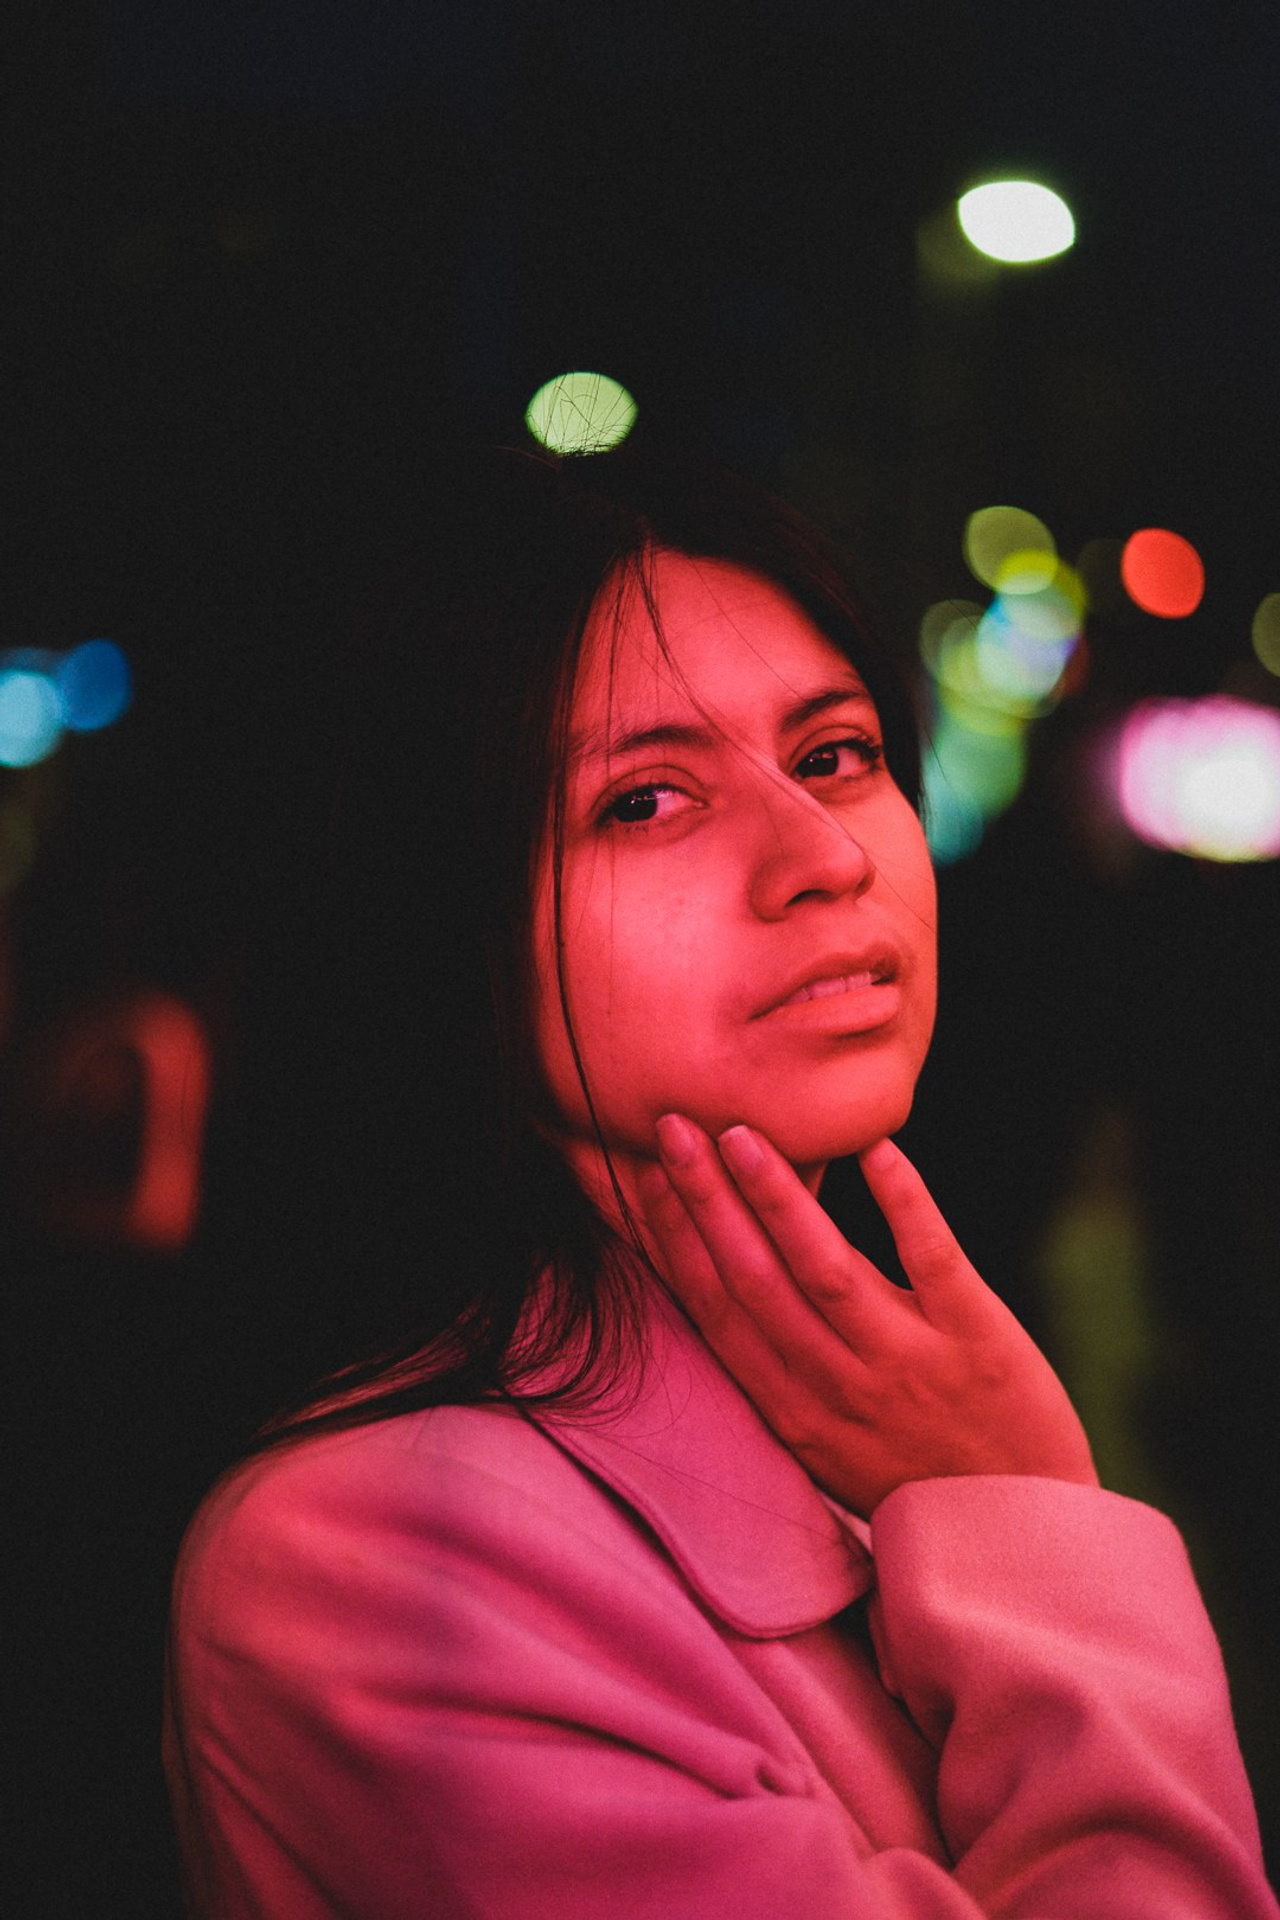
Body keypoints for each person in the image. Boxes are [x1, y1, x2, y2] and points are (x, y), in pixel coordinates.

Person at [163, 446, 1279, 1918]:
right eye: (644, 801)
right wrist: (1021, 1507)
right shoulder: (380, 1555)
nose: (821, 854)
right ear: (439, 924)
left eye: (835, 755)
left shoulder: (877, 1415)